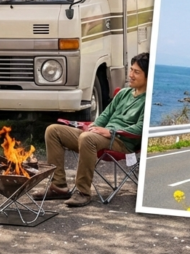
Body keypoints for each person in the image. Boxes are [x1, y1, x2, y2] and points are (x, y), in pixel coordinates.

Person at [33, 52, 149, 207]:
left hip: (122, 142)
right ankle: (58, 186)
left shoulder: (148, 101)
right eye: (131, 70)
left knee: (87, 139)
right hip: (101, 136)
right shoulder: (123, 93)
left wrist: (110, 132)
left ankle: (83, 192)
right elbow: (105, 115)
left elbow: (142, 128)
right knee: (53, 131)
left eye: (136, 72)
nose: (131, 75)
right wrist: (94, 127)